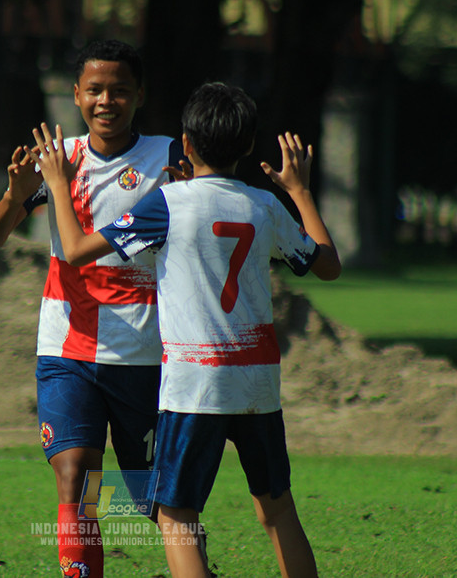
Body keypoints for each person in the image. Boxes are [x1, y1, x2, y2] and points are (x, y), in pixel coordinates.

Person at [31, 81, 342, 578]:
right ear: (246, 146)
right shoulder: (264, 205)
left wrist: (58, 182)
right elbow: (327, 266)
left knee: (176, 517)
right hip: (259, 381)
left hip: (195, 385)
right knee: (277, 507)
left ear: (187, 144)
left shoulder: (168, 204)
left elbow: (74, 249)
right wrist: (300, 191)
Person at [0, 39, 186, 577]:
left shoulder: (169, 157)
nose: (106, 101)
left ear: (140, 95)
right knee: (75, 477)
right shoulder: (58, 160)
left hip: (145, 352)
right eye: (94, 90)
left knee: (153, 499)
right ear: (76, 95)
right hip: (66, 347)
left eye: (119, 90)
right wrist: (12, 194)